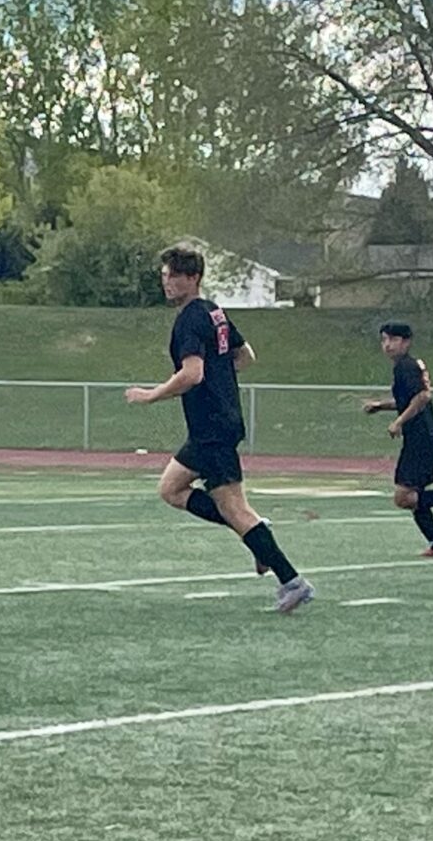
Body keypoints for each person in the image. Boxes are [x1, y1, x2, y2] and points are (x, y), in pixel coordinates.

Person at [123, 246, 310, 612]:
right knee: (171, 489)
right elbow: (245, 356)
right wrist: (221, 378)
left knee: (233, 508)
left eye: (174, 276)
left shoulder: (191, 318)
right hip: (212, 425)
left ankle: (291, 580)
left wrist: (150, 396)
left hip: (211, 427)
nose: (167, 282)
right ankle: (256, 533)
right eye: (164, 276)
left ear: (192, 278)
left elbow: (192, 374)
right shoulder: (214, 312)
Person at [361, 321, 433, 555]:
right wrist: (381, 406)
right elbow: (410, 399)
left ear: (406, 342)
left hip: (421, 440)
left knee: (403, 498)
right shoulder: (407, 366)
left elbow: (423, 397)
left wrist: (398, 422)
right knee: (415, 496)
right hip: (425, 439)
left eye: (393, 340)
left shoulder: (406, 366)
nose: (387, 345)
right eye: (384, 340)